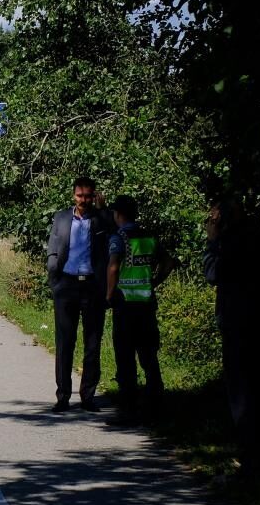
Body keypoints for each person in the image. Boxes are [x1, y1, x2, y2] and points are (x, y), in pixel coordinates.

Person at [203, 197, 260, 475]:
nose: (211, 225)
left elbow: (212, 274)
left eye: (213, 220)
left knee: (241, 393)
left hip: (237, 322)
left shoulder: (232, 243)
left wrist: (212, 242)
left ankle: (251, 460)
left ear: (224, 219)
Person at [45, 177, 113, 412]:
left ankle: (88, 396)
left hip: (93, 287)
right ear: (73, 195)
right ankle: (63, 396)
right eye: (79, 195)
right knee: (65, 343)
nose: (83, 200)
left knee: (92, 344)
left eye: (87, 196)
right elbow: (53, 249)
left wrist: (104, 210)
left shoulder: (102, 218)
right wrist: (54, 280)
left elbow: (114, 239)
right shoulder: (61, 217)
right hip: (66, 286)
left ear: (94, 196)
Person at [106, 195, 170, 423]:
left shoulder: (119, 237)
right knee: (149, 356)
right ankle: (156, 406)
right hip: (146, 303)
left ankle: (128, 409)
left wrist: (109, 295)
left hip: (125, 304)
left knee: (125, 359)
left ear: (118, 214)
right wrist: (154, 281)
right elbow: (167, 262)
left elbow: (113, 267)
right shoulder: (148, 236)